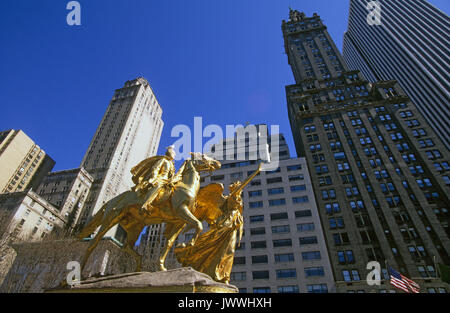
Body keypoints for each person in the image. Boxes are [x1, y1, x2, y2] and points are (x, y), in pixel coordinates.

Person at [175, 181, 244, 284]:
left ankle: (223, 276)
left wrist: (236, 198)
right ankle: (209, 271)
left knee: (229, 251)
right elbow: (225, 207)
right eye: (235, 187)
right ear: (231, 189)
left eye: (239, 188)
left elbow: (238, 208)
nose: (237, 189)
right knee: (211, 247)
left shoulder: (238, 199)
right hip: (221, 227)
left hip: (232, 225)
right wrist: (231, 199)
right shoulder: (223, 199)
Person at [130, 145, 177, 215]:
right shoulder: (163, 160)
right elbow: (155, 168)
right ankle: (145, 204)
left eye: (174, 154)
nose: (174, 155)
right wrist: (153, 178)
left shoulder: (172, 165)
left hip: (168, 181)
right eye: (173, 153)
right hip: (160, 179)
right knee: (158, 185)